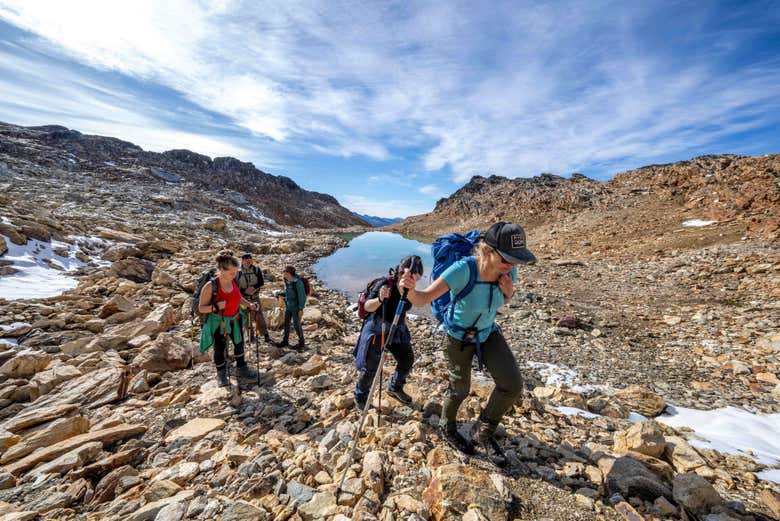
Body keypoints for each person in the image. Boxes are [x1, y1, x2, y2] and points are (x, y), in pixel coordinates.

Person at [399, 222, 536, 466]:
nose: (512, 265)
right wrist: (409, 289)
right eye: (507, 259)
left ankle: (481, 431)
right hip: (458, 337)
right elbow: (423, 299)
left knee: (512, 385)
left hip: (487, 333)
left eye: (516, 260)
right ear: (487, 251)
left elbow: (500, 301)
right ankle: (447, 428)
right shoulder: (463, 269)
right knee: (459, 389)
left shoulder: (508, 272)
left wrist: (510, 292)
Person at [354, 255, 422, 410]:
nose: (413, 281)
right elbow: (367, 307)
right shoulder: (385, 284)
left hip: (397, 329)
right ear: (400, 273)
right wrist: (379, 299)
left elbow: (405, 309)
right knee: (371, 367)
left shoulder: (409, 289)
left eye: (416, 278)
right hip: (378, 329)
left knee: (407, 359)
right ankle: (361, 396)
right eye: (411, 276)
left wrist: (404, 329)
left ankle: (395, 387)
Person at [198, 250, 259, 386]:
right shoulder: (210, 286)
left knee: (239, 343)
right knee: (219, 348)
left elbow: (238, 297)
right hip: (218, 322)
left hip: (235, 318)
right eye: (231, 272)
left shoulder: (233, 281)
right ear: (221, 270)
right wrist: (215, 307)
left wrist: (249, 305)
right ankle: (221, 375)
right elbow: (201, 308)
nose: (234, 274)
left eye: (236, 272)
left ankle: (242, 368)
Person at [237, 253, 272, 344]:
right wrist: (245, 291)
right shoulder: (238, 271)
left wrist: (253, 288)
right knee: (245, 317)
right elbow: (235, 285)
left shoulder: (256, 269)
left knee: (259, 316)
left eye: (250, 259)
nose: (248, 261)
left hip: (255, 297)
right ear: (243, 260)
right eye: (246, 260)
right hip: (243, 298)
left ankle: (265, 335)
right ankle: (250, 336)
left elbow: (261, 282)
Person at [275, 266, 307, 349]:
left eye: (284, 272)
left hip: (296, 307)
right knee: (286, 324)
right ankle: (285, 341)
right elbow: (287, 291)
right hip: (288, 305)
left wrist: (301, 309)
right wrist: (281, 294)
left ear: (288, 273)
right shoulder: (287, 280)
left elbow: (302, 296)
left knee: (296, 325)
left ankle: (301, 343)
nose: (283, 273)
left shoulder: (298, 282)